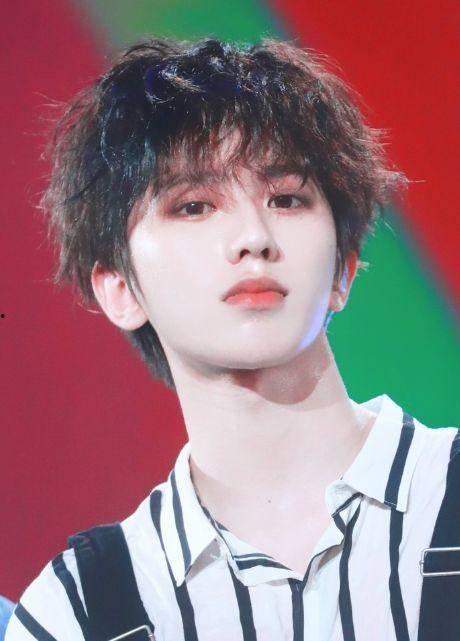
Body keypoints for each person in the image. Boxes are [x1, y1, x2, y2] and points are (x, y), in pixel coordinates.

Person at [6, 36, 459, 641]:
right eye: (194, 206)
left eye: (287, 199)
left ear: (343, 270)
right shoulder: (76, 613)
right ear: (118, 288)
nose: (253, 236)